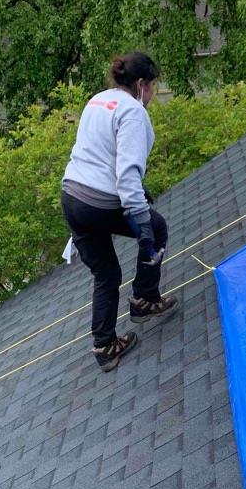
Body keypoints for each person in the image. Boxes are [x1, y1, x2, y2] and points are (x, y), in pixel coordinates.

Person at [61, 52, 178, 371]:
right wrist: (143, 223)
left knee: (106, 273)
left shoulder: (98, 100)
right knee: (156, 228)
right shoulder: (133, 112)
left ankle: (104, 345)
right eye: (153, 86)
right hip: (99, 203)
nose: (152, 93)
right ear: (141, 84)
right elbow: (127, 174)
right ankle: (144, 299)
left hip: (72, 197)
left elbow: (100, 155)